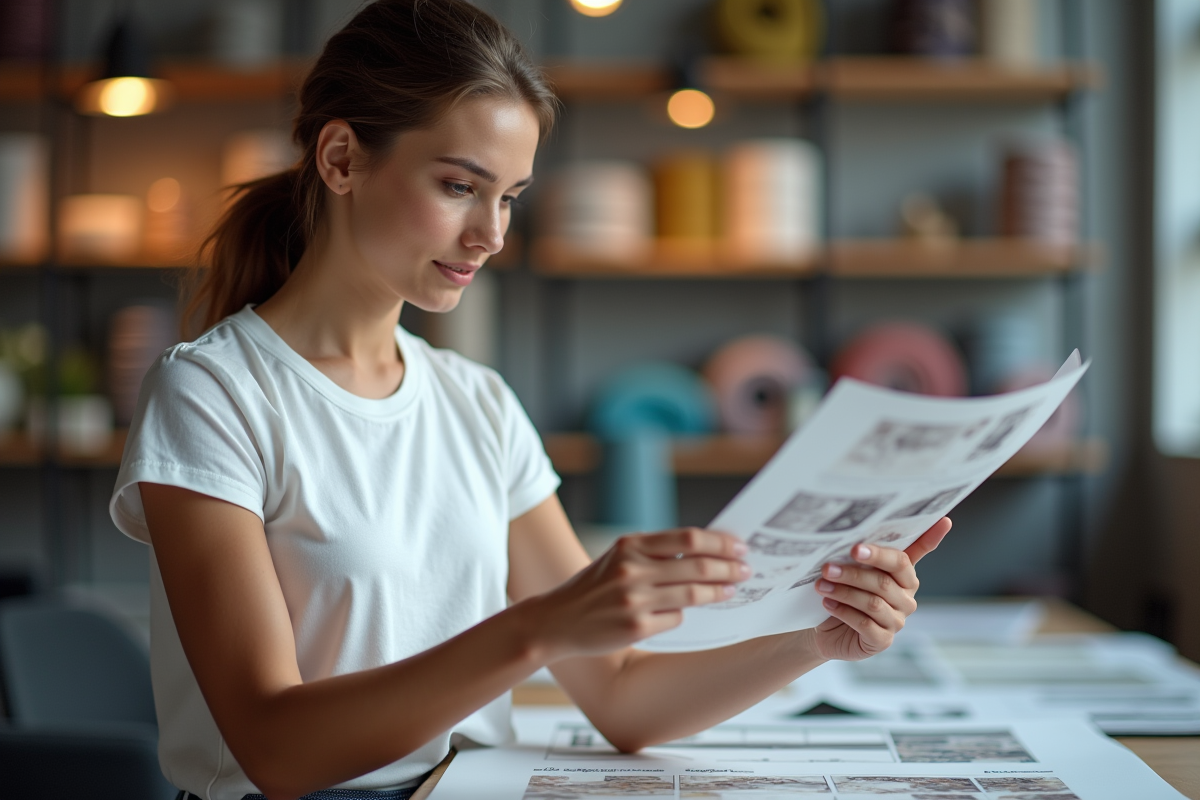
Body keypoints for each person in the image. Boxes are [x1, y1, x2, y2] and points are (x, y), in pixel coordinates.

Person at [109, 2, 951, 799]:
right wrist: (539, 628)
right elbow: (276, 747)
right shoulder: (213, 394)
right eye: (457, 186)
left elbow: (620, 696)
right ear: (341, 160)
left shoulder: (475, 402)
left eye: (508, 197)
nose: (492, 235)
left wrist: (815, 639)